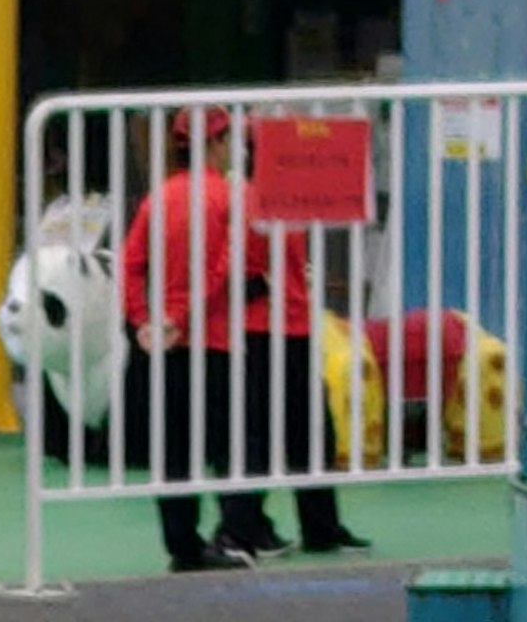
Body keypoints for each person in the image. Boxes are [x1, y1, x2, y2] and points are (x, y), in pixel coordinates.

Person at [118, 120, 362, 570]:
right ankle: (236, 534)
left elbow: (132, 263)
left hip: (176, 341)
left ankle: (190, 546)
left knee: (179, 449)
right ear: (217, 143)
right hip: (220, 338)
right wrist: (179, 317)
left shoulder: (162, 197)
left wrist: (144, 320)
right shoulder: (231, 199)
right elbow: (221, 270)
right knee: (237, 444)